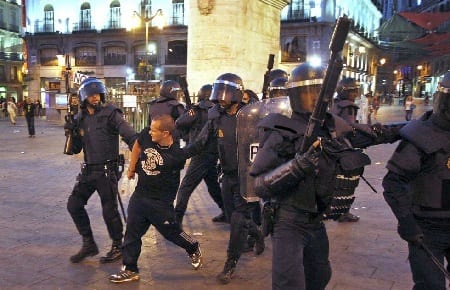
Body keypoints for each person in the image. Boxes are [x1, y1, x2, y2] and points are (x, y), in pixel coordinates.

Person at [249, 62, 401, 290]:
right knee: (288, 283)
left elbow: (372, 134)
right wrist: (296, 167)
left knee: (320, 276)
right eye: (313, 91)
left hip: (316, 220)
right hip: (288, 220)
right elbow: (259, 184)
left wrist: (417, 127)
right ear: (298, 94)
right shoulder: (280, 130)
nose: (319, 98)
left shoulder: (332, 127)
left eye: (323, 92)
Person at [109, 114, 203, 283]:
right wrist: (131, 168)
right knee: (131, 233)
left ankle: (192, 247)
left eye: (154, 130)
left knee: (172, 233)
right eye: (150, 128)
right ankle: (130, 269)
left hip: (161, 204)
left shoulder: (176, 155)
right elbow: (137, 145)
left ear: (165, 133)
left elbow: (195, 148)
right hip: (140, 196)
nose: (150, 132)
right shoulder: (147, 135)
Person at [189, 73, 264, 284]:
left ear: (237, 93)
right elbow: (200, 142)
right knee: (234, 219)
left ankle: (230, 264)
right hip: (227, 176)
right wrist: (176, 155)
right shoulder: (216, 117)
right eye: (219, 94)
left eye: (226, 94)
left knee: (237, 222)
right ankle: (257, 232)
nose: (221, 99)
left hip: (246, 178)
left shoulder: (251, 116)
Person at [382, 71, 450, 290]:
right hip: (428, 228)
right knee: (430, 285)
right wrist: (407, 222)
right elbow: (393, 183)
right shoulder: (421, 135)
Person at [65, 77, 137, 264]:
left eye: (98, 94)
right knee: (73, 204)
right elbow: (75, 150)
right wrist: (71, 132)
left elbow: (128, 133)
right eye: (91, 95)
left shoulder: (111, 113)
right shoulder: (80, 118)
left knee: (109, 210)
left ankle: (117, 246)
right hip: (89, 171)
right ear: (84, 97)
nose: (95, 98)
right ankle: (89, 244)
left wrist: (139, 150)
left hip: (107, 171)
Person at [174, 84, 225, 225]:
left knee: (186, 186)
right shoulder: (218, 111)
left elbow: (180, 122)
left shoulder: (197, 110)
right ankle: (227, 211)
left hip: (199, 152)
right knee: (213, 185)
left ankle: (176, 219)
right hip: (213, 153)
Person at [329, 77, 362, 222]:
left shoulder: (334, 104)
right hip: (344, 146)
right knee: (348, 182)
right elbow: (349, 126)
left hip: (332, 145)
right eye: (353, 91)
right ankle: (343, 211)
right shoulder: (348, 107)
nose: (355, 94)